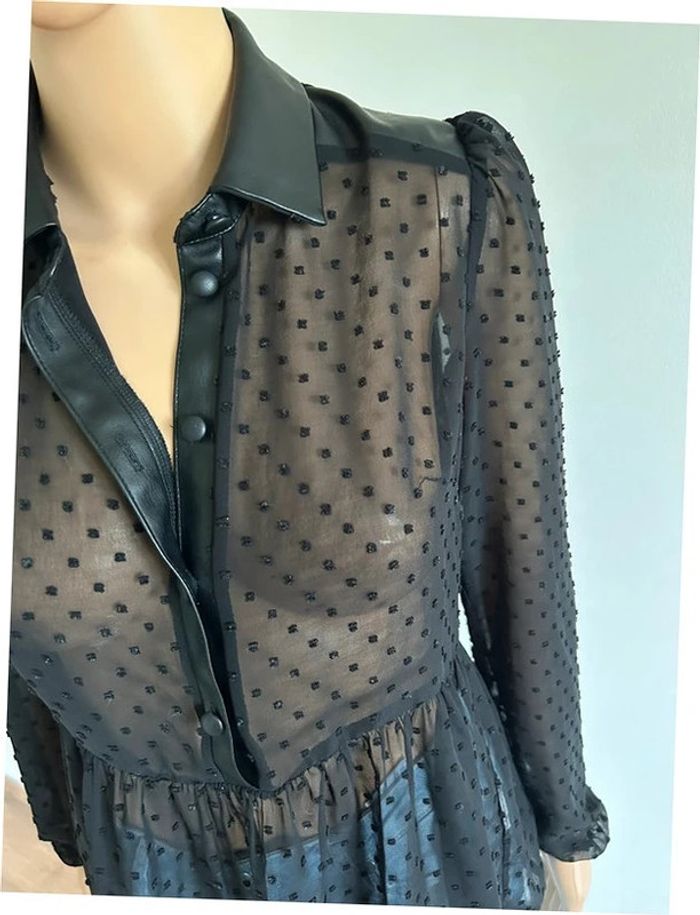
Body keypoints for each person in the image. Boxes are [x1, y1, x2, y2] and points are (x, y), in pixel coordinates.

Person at [7, 3, 610, 907]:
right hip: (153, 868)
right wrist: (63, 828)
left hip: (435, 842)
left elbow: (519, 561)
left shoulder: (436, 201)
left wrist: (562, 831)